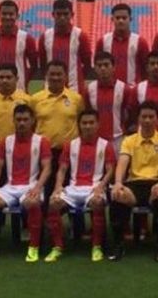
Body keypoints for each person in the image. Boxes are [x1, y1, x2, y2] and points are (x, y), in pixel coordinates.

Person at [0, 104, 52, 263]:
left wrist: (38, 187)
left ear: (32, 121)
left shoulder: (41, 141)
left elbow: (47, 168)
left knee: (32, 202)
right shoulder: (6, 141)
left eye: (25, 119)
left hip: (31, 186)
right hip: (9, 188)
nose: (22, 123)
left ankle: (33, 247)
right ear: (13, 121)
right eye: (18, 120)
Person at [45, 110, 116, 262]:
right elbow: (62, 169)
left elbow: (110, 170)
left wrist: (101, 186)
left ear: (98, 125)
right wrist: (58, 186)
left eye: (91, 123)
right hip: (73, 188)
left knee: (97, 202)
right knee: (53, 203)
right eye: (84, 123)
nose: (88, 126)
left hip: (94, 187)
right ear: (79, 125)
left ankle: (96, 246)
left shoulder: (106, 145)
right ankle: (57, 247)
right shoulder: (70, 145)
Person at [108, 101, 158, 262]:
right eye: (144, 117)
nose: (147, 120)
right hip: (134, 184)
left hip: (156, 182)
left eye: (151, 117)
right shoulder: (129, 140)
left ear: (157, 119)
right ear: (138, 119)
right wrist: (117, 183)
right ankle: (118, 245)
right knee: (117, 196)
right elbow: (122, 163)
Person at [30, 61, 85, 200]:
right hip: (43, 153)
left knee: (71, 188)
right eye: (52, 74)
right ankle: (42, 219)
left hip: (69, 152)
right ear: (46, 76)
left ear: (66, 76)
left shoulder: (76, 99)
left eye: (59, 74)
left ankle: (75, 221)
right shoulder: (35, 99)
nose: (55, 77)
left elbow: (82, 123)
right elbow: (31, 125)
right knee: (44, 187)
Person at [0, 64, 31, 179]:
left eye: (8, 77)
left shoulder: (27, 100)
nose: (4, 80)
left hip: (20, 146)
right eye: (1, 77)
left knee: (19, 179)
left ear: (16, 79)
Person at [83, 52, 134, 153]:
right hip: (96, 140)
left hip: (118, 138)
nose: (103, 69)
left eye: (106, 65)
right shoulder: (89, 89)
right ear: (95, 68)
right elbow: (87, 113)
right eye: (99, 65)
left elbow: (130, 114)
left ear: (114, 67)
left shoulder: (124, 89)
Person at [38, 0, 92, 93]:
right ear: (53, 15)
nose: (62, 17)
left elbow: (87, 64)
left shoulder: (80, 36)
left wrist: (76, 78)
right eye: (59, 14)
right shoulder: (45, 36)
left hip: (74, 89)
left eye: (66, 14)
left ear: (72, 15)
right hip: (50, 89)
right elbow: (43, 64)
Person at [0, 0, 37, 93]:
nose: (7, 17)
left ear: (17, 16)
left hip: (20, 90)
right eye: (4, 14)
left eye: (11, 14)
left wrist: (23, 80)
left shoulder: (26, 38)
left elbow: (34, 65)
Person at [95, 3, 150, 86]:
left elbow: (146, 69)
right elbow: (98, 67)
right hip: (110, 90)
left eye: (124, 18)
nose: (121, 20)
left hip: (132, 90)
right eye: (117, 18)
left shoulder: (140, 42)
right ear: (112, 19)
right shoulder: (103, 41)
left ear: (130, 19)